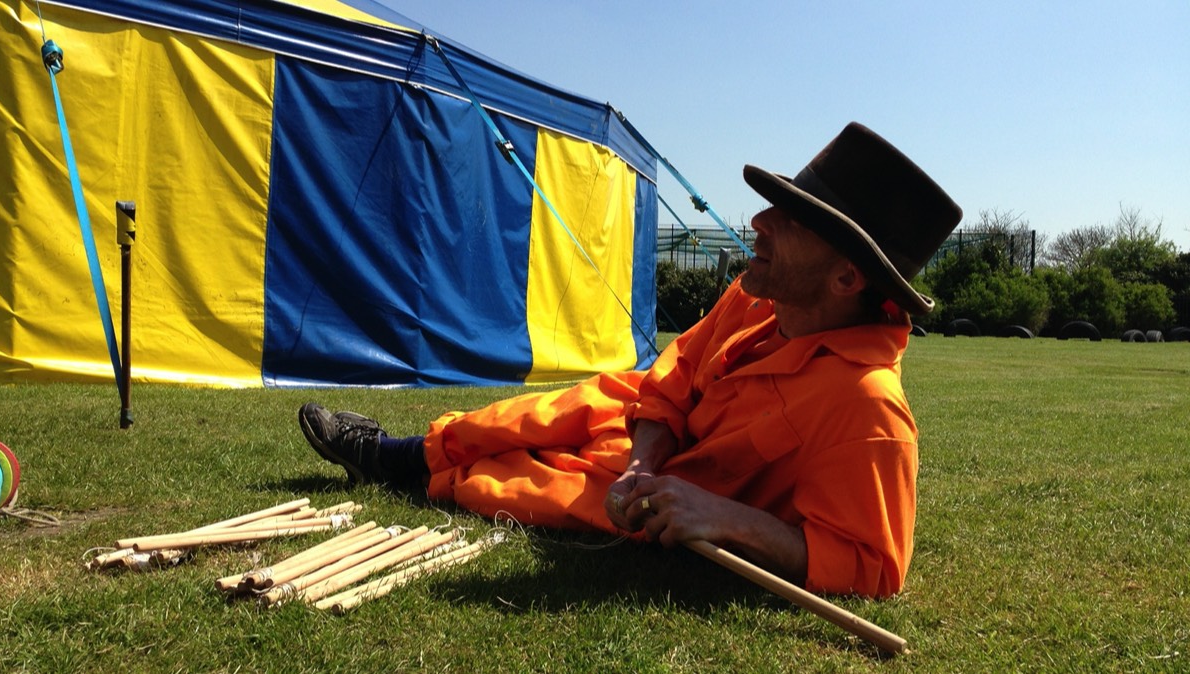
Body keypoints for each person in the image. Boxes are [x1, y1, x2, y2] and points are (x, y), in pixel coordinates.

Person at [297, 122, 962, 598]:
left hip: (671, 497)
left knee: (526, 484)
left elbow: (874, 567)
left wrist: (730, 519)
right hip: (647, 445)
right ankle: (397, 454)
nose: (759, 221)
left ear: (847, 279)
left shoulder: (865, 405)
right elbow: (672, 373)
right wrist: (643, 456)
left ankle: (409, 472)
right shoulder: (757, 298)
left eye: (790, 221)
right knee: (549, 412)